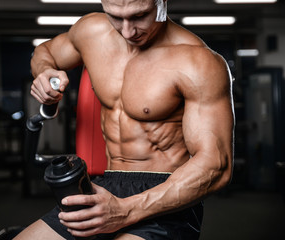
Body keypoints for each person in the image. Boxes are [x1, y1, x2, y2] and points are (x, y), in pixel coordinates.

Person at [15, 0, 234, 239]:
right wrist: (44, 72)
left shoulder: (198, 61)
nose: (127, 31)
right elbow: (45, 51)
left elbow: (216, 165)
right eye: (116, 17)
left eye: (139, 16)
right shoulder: (92, 32)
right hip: (106, 185)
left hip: (165, 196)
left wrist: (127, 210)